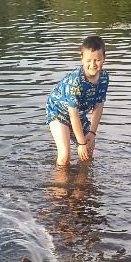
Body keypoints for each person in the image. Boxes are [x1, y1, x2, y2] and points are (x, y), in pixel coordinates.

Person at [45, 35, 108, 166]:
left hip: (78, 115)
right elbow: (72, 114)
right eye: (89, 60)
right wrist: (81, 143)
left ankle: (82, 185)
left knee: (88, 151)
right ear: (82, 59)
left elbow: (99, 105)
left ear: (104, 58)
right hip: (58, 111)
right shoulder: (76, 80)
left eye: (97, 60)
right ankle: (58, 186)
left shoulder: (104, 78)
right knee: (65, 156)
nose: (93, 64)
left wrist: (92, 132)